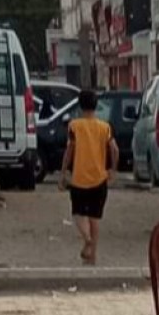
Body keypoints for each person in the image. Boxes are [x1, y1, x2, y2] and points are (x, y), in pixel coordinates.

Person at [60, 89, 118, 266]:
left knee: (78, 213)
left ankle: (87, 240)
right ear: (96, 106)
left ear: (80, 106)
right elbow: (114, 149)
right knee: (94, 218)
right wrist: (113, 169)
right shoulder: (105, 127)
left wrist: (63, 171)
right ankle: (92, 256)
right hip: (99, 179)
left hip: (79, 178)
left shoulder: (74, 126)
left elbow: (70, 149)